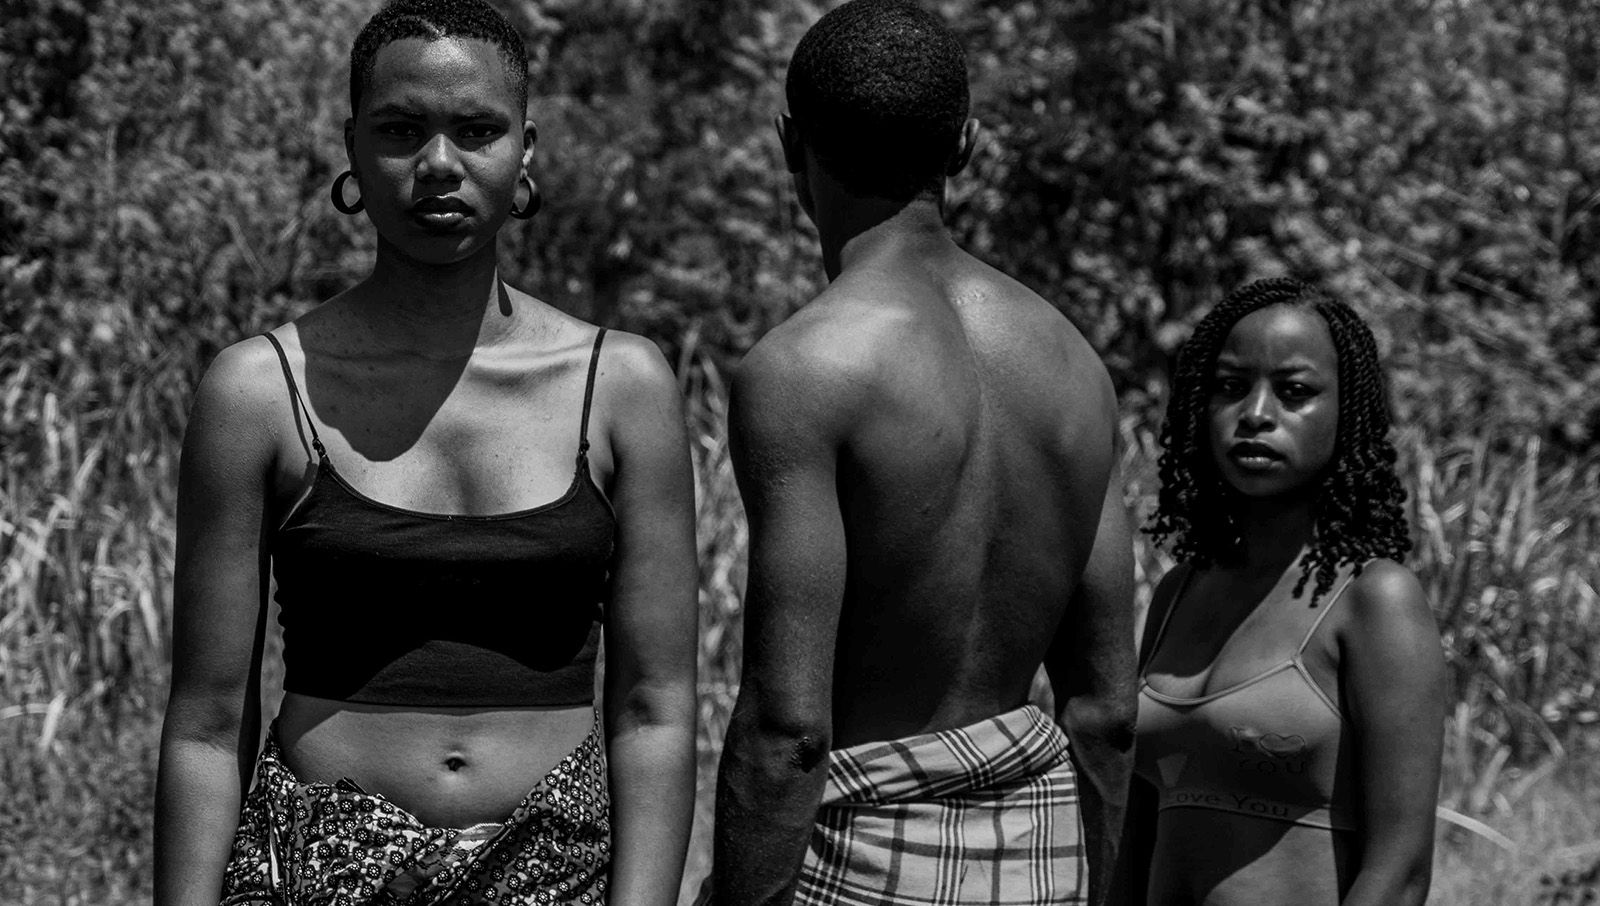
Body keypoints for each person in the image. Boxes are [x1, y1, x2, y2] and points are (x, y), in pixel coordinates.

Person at [153, 1, 698, 902]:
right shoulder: (260, 390)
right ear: (353, 148)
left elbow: (655, 711)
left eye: (477, 130)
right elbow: (208, 725)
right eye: (401, 130)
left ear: (525, 151)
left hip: (558, 875)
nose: (439, 164)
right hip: (315, 876)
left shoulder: (621, 386)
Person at [708, 2, 1138, 904]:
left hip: (859, 864)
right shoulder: (1074, 366)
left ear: (790, 144)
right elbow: (1105, 710)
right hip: (1038, 865)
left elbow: (789, 730)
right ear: (967, 145)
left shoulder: (803, 370)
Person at [1130, 277, 1446, 905]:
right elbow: (1134, 840)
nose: (1255, 414)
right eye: (1230, 387)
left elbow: (1401, 870)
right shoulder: (1177, 594)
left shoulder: (1374, 600)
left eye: (1294, 392)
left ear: (1347, 412)